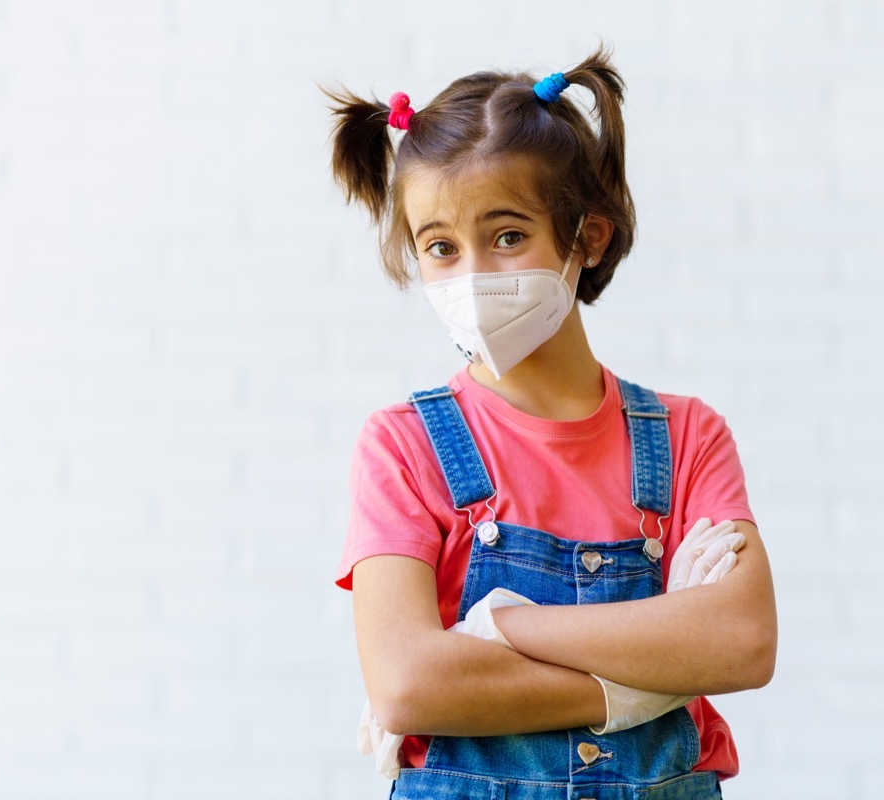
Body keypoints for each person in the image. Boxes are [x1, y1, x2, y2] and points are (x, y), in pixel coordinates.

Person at [324, 42, 777, 800]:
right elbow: (407, 684)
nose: (471, 276)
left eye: (507, 238)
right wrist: (651, 677)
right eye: (440, 247)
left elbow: (742, 642)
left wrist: (498, 630)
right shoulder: (403, 447)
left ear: (586, 235)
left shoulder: (689, 437)